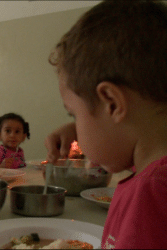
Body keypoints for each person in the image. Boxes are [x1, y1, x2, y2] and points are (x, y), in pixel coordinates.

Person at [46, 0, 167, 248]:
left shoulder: (152, 194)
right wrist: (83, 125)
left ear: (112, 102)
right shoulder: (154, 167)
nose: (75, 127)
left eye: (73, 115)